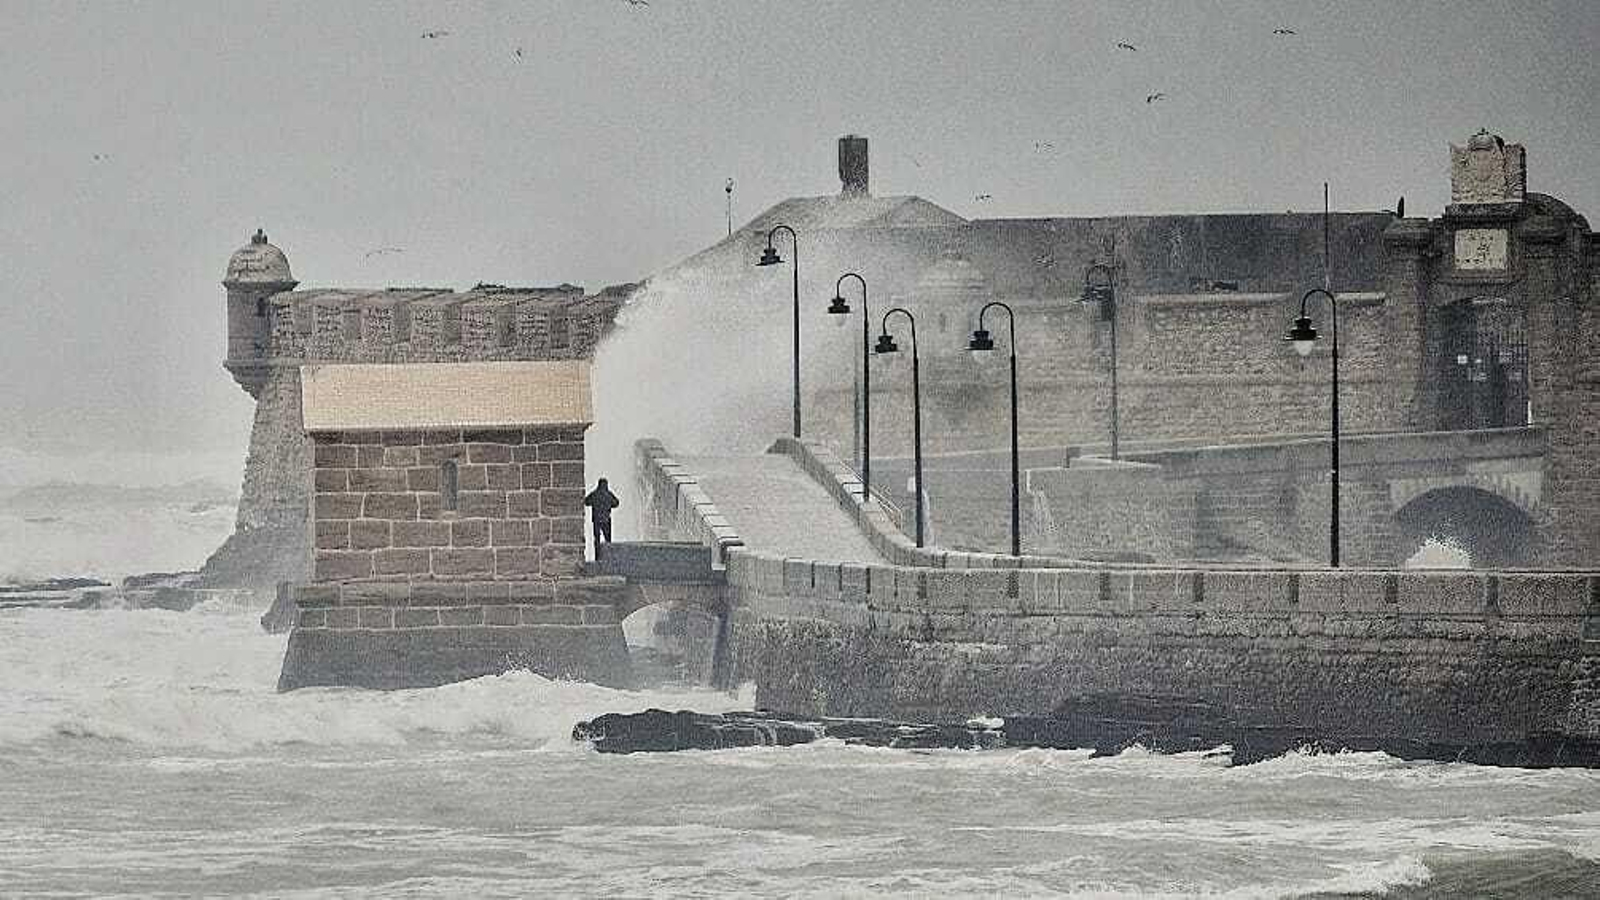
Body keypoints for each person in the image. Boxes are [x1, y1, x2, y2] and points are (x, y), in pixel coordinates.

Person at [583, 478, 621, 555]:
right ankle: (609, 554)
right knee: (608, 539)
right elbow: (616, 503)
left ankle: (597, 555)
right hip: (606, 520)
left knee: (597, 539)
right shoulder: (609, 494)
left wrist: (595, 503)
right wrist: (609, 505)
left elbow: (586, 502)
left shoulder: (594, 494)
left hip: (596, 520)